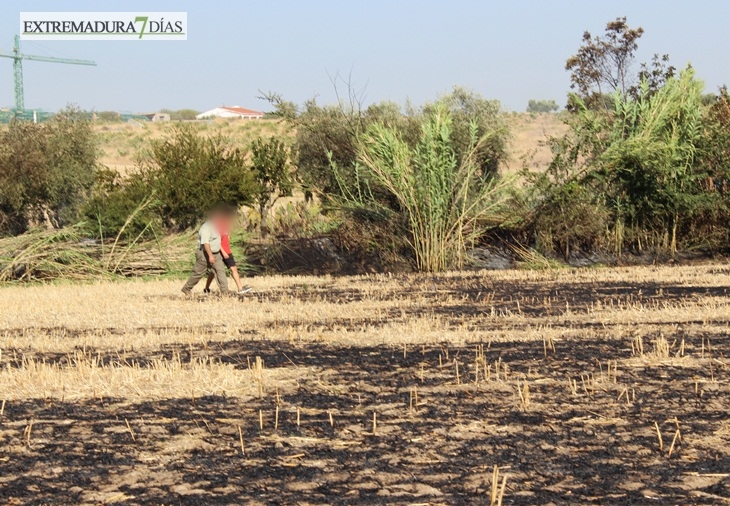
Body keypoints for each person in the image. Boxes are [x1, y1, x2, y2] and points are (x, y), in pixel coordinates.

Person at [181, 207, 230, 296]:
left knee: (220, 271)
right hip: (204, 253)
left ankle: (225, 291)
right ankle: (187, 288)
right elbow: (205, 243)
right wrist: (210, 256)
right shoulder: (206, 228)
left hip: (216, 253)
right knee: (198, 273)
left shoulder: (215, 227)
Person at [203, 210, 251, 295]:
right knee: (214, 272)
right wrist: (223, 252)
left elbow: (226, 237)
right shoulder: (215, 226)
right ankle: (207, 288)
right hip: (220, 251)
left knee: (233, 268)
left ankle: (240, 288)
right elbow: (216, 241)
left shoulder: (225, 224)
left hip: (227, 250)